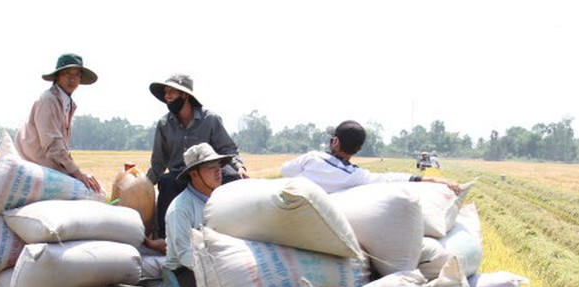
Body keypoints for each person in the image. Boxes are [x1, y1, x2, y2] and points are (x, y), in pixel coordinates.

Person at [144, 74, 248, 252]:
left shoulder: (210, 120)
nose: (167, 96)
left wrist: (240, 167)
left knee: (233, 179)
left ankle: (237, 231)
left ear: (185, 95)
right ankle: (164, 239)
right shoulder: (164, 124)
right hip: (181, 175)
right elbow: (159, 163)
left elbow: (228, 150)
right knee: (167, 182)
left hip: (208, 170)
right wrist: (143, 185)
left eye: (171, 92)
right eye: (165, 93)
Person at [280, 120, 460, 195]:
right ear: (357, 150)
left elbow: (285, 171)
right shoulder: (355, 176)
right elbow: (390, 179)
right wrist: (433, 180)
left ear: (335, 142)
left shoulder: (312, 158)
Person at [15, 53, 102, 192]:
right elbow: (53, 145)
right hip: (34, 164)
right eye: (67, 73)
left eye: (77, 74)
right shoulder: (48, 100)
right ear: (57, 76)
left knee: (93, 190)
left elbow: (62, 147)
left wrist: (74, 172)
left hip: (49, 166)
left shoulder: (67, 104)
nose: (72, 79)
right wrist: (77, 173)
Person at [164, 143, 234, 287]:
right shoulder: (180, 208)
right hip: (182, 273)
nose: (218, 171)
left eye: (218, 166)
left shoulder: (220, 199)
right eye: (211, 167)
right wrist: (217, 269)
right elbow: (184, 255)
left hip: (215, 264)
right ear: (194, 174)